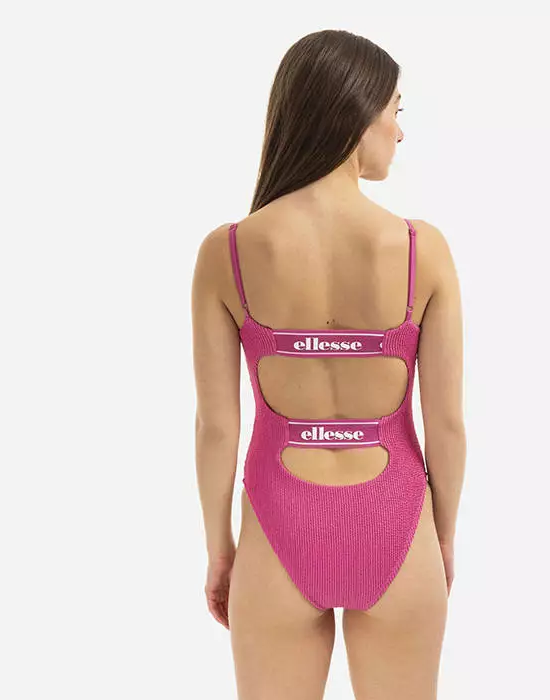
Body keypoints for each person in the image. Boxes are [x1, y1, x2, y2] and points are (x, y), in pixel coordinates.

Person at [191, 29, 466, 700]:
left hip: (277, 529)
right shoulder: (420, 249)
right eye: (395, 111)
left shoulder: (228, 252)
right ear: (356, 112)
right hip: (397, 523)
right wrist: (443, 539)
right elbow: (448, 425)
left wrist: (221, 550)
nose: (399, 132)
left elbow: (217, 429)